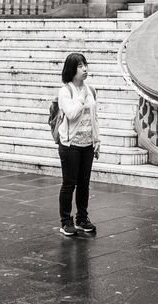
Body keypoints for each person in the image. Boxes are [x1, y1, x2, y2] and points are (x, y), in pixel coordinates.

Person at [57, 52, 101, 237]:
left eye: (85, 65)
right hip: (70, 144)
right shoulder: (65, 91)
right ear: (71, 70)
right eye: (80, 66)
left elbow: (94, 118)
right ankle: (66, 222)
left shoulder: (91, 90)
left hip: (87, 144)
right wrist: (81, 98)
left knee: (84, 183)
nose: (85, 69)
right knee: (69, 184)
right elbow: (72, 114)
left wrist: (97, 140)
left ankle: (82, 219)